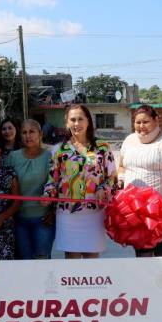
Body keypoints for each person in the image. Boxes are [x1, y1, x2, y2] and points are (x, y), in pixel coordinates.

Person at [43, 104, 116, 259]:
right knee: (72, 262)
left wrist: (103, 188)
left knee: (92, 261)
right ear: (67, 123)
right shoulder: (58, 150)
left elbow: (111, 177)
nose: (77, 124)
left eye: (80, 119)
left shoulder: (102, 147)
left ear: (88, 121)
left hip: (94, 213)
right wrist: (47, 195)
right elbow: (52, 181)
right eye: (73, 120)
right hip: (67, 214)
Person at [117, 104, 162, 257]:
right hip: (135, 210)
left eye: (145, 122)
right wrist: (121, 180)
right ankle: (143, 281)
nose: (141, 126)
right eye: (137, 122)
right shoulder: (129, 140)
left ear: (156, 120)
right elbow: (122, 166)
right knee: (142, 253)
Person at [5, 119, 55, 259]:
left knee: (42, 262)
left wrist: (53, 212)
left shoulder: (50, 157)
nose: (28, 136)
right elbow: (6, 186)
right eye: (24, 132)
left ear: (40, 134)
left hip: (43, 220)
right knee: (24, 263)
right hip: (19, 220)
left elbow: (55, 185)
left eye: (31, 132)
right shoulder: (13, 157)